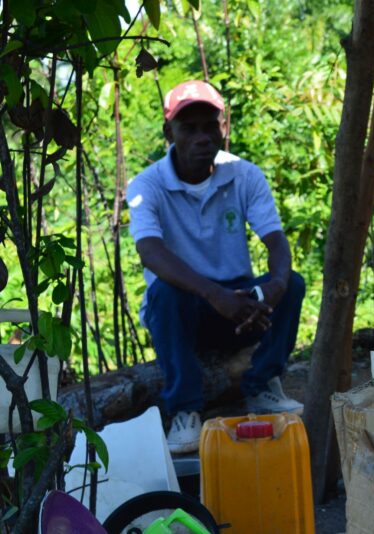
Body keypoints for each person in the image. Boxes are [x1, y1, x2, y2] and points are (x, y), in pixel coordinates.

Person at [127, 80, 306, 453]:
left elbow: (275, 239)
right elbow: (150, 252)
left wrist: (274, 285)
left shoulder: (243, 174)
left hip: (238, 304)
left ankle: (261, 386)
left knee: (295, 284)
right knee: (162, 294)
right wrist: (213, 294)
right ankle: (185, 411)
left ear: (223, 129)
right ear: (169, 133)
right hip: (188, 310)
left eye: (210, 126)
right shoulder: (148, 185)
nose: (202, 137)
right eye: (188, 128)